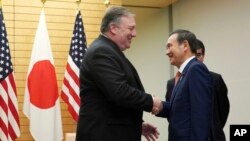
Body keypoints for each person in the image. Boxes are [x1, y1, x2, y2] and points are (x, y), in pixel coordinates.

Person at [75, 6, 162, 141]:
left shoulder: (109, 50)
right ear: (113, 28)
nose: (135, 34)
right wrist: (151, 101)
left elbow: (109, 102)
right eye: (131, 28)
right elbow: (119, 92)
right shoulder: (101, 52)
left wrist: (138, 124)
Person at [155, 29, 213, 141]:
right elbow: (181, 110)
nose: (166, 52)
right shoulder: (185, 73)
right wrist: (160, 106)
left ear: (185, 45)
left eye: (169, 46)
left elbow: (200, 116)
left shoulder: (196, 69)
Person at [196, 39, 230, 141]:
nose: (196, 59)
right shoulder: (174, 83)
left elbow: (223, 111)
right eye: (193, 56)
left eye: (199, 55)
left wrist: (214, 129)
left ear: (203, 56)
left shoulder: (216, 80)